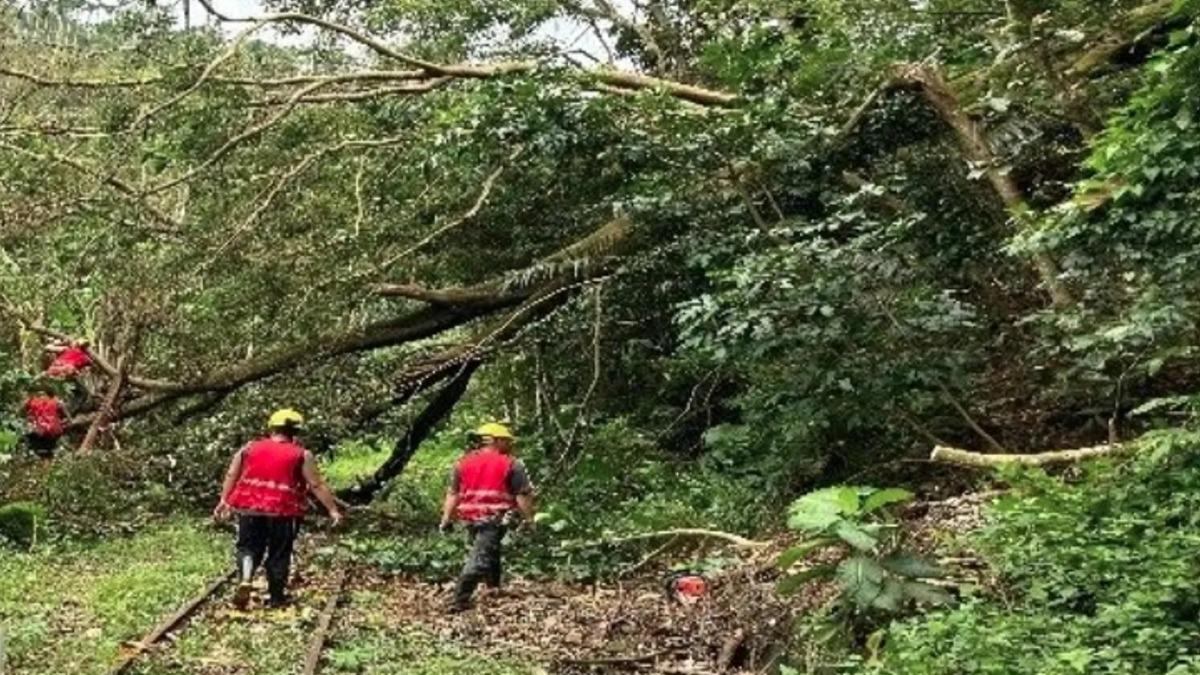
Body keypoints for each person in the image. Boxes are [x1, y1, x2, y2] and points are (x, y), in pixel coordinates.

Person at [213, 409, 343, 609]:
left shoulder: (249, 448)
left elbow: (232, 474)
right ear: (295, 432)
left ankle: (246, 577)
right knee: (279, 552)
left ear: (272, 428)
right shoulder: (302, 454)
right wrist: (332, 510)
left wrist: (225, 500)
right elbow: (316, 484)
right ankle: (276, 598)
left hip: (250, 508)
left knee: (247, 547)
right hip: (284, 511)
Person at [439, 422, 535, 613]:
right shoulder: (512, 464)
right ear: (496, 441)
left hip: (470, 518)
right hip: (493, 517)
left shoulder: (462, 463)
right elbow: (522, 495)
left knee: (491, 550)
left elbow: (453, 493)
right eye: (507, 441)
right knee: (480, 559)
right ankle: (459, 599)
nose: (510, 444)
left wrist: (446, 519)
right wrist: (529, 519)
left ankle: (493, 588)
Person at [22, 386, 67, 459]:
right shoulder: (56, 402)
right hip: (52, 432)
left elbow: (23, 410)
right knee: (48, 452)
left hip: (41, 431)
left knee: (40, 450)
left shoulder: (33, 402)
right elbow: (66, 415)